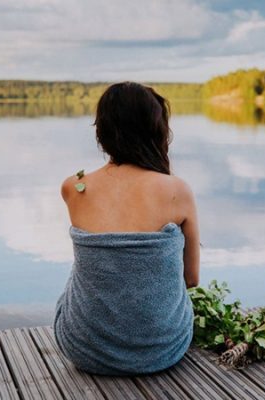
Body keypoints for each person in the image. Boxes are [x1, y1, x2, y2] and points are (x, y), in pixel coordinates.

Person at [53, 82, 200, 376]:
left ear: (102, 131)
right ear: (156, 129)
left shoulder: (74, 187)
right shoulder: (177, 190)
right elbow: (191, 279)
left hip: (84, 347)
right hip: (162, 349)